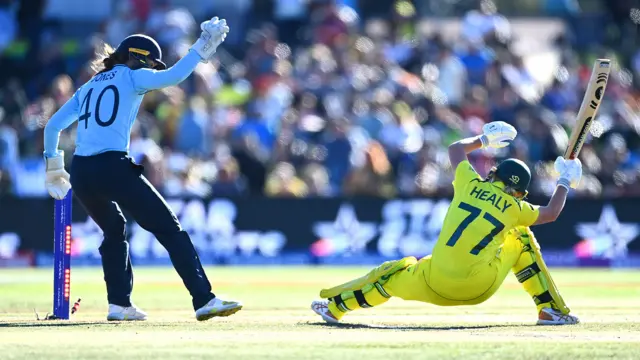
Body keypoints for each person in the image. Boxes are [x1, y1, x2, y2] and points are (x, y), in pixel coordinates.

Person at [42, 18, 243, 322]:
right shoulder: (131, 77)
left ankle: (119, 304)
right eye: (149, 63)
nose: (151, 70)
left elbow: (54, 126)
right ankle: (204, 299)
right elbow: (175, 76)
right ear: (136, 57)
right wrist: (201, 49)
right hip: (113, 165)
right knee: (170, 229)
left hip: (82, 171)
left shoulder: (87, 86)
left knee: (113, 229)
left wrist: (54, 167)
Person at [311, 121, 583, 325]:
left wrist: (484, 139)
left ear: (493, 173)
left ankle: (335, 309)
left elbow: (455, 149)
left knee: (390, 276)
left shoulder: (468, 183)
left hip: (434, 283)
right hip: (479, 288)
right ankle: (550, 309)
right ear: (520, 192)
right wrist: (564, 182)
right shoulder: (516, 208)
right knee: (521, 237)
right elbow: (552, 212)